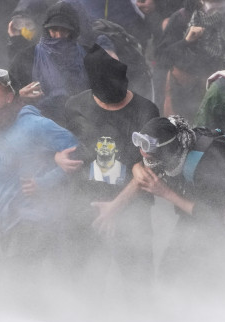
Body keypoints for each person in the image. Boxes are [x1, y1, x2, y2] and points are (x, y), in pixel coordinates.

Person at [62, 44, 159, 290]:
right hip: (86, 207)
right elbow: (62, 144)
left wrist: (115, 208)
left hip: (131, 209)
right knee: (82, 281)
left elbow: (147, 170)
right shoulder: (75, 106)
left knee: (137, 284)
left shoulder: (145, 110)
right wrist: (57, 159)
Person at [132, 115, 225, 283]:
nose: (142, 152)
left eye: (148, 152)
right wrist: (136, 168)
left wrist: (165, 192)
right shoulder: (173, 151)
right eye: (139, 143)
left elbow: (212, 215)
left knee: (219, 277)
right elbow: (140, 165)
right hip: (194, 213)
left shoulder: (208, 164)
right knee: (169, 271)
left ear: (166, 151)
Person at [0, 66, 79, 267]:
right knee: (16, 285)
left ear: (8, 98)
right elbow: (6, 161)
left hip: (33, 220)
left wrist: (45, 182)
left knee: (21, 286)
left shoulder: (35, 125)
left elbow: (78, 150)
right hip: (5, 219)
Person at [9, 1, 90, 125]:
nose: (58, 35)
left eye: (64, 30)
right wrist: (20, 96)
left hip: (82, 122)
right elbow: (5, 100)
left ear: (73, 31)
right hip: (38, 125)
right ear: (47, 29)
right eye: (54, 29)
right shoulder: (26, 57)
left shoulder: (89, 56)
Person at [157, 0, 225, 120]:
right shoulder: (181, 18)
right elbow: (161, 57)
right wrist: (186, 42)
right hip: (185, 89)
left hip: (217, 86)